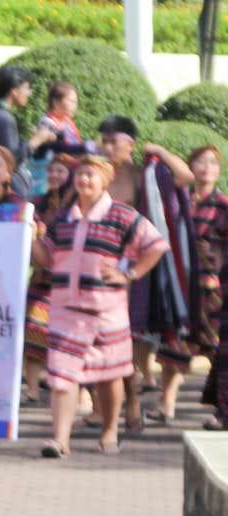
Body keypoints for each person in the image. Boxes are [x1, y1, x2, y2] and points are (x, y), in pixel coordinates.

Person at [35, 155, 169, 457]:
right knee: (61, 374)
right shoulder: (63, 217)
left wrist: (129, 274)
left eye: (90, 175)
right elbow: (47, 258)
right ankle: (60, 440)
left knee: (110, 374)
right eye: (80, 174)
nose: (84, 179)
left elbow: (156, 245)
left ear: (105, 181)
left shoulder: (122, 215)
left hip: (106, 310)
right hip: (66, 309)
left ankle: (109, 432)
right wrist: (32, 238)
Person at [97, 117, 197, 427]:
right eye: (104, 141)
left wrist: (162, 152)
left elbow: (186, 176)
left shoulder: (146, 175)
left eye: (113, 142)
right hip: (98, 260)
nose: (107, 147)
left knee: (128, 335)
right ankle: (105, 405)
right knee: (98, 336)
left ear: (130, 144)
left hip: (135, 265)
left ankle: (132, 399)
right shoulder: (96, 175)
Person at [23, 153, 79, 399]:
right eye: (52, 170)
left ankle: (79, 394)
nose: (55, 175)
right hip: (42, 279)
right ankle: (32, 389)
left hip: (71, 283)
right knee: (33, 329)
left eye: (61, 171)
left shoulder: (77, 206)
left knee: (70, 340)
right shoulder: (37, 203)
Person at [189, 147, 228, 429]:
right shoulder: (181, 199)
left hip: (215, 286)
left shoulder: (222, 204)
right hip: (190, 282)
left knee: (219, 349)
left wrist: (214, 259)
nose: (206, 167)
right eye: (200, 161)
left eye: (212, 162)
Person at [0, 66, 55, 197]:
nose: (29, 93)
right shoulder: (4, 117)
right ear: (14, 91)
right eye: (27, 88)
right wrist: (36, 140)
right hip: (7, 190)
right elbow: (11, 160)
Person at [34, 82, 90, 160]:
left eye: (76, 102)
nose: (75, 106)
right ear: (56, 102)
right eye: (71, 101)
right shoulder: (47, 123)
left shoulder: (68, 122)